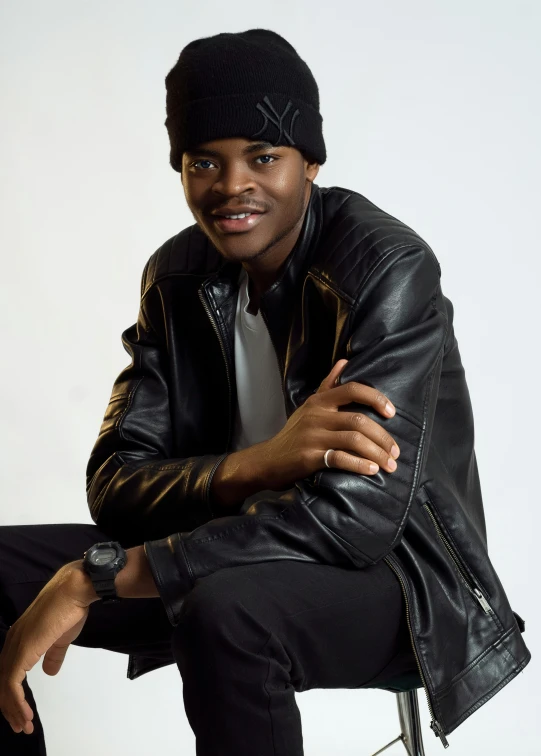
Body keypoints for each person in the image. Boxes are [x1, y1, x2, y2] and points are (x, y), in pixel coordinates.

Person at [0, 28, 531, 756]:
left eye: (264, 156)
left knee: (228, 609)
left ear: (310, 160)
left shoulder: (384, 267)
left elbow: (359, 520)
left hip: (395, 584)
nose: (230, 186)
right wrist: (257, 464)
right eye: (202, 162)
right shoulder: (176, 278)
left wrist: (104, 577)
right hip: (225, 550)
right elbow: (114, 485)